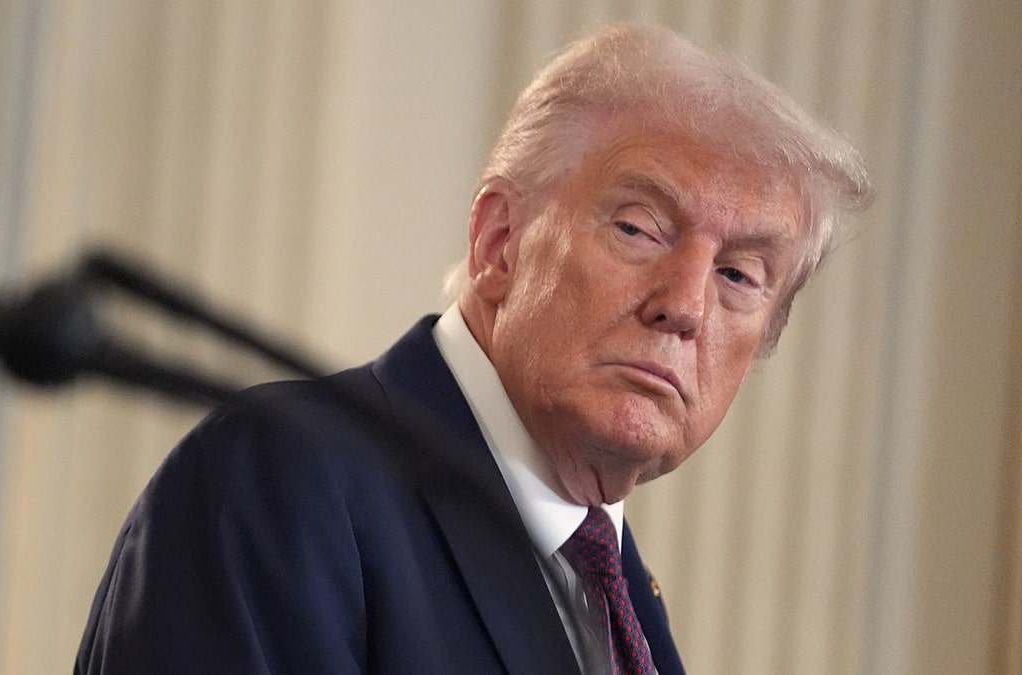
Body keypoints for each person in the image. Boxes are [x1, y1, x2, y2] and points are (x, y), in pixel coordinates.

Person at [75, 22, 870, 674]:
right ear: (500, 243)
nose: (686, 307)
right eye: (638, 228)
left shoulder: (619, 595)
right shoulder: (289, 476)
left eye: (739, 275)